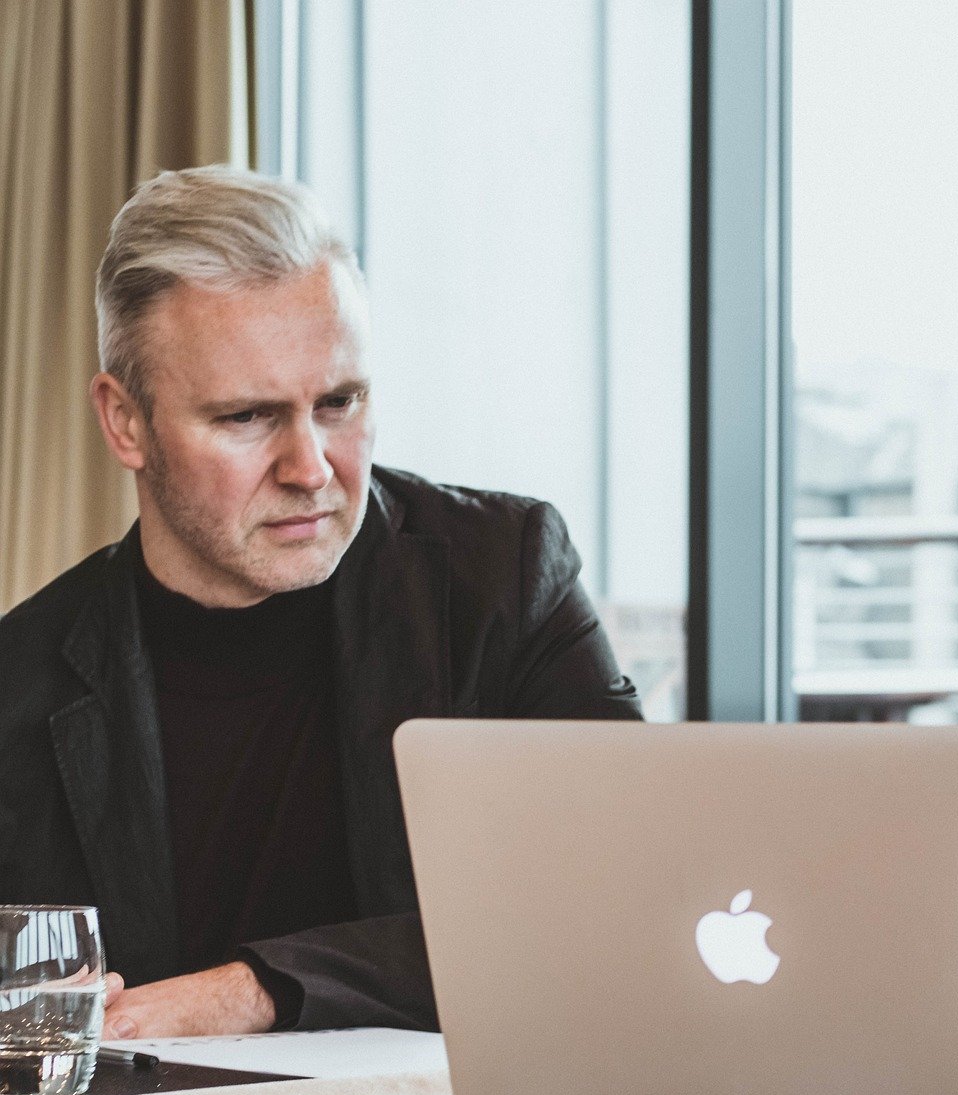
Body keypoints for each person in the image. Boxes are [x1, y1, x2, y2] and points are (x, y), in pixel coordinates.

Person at [0, 167, 641, 1038]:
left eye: (340, 403)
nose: (312, 468)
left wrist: (256, 991)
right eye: (247, 418)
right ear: (126, 423)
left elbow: (622, 899)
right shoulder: (20, 679)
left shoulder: (504, 579)